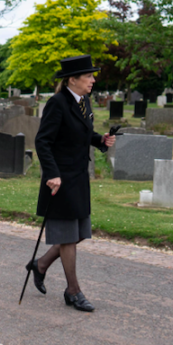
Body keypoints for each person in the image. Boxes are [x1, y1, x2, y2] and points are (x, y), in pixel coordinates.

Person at [26, 54, 115, 312]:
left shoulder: (83, 101)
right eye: (88, 76)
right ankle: (73, 291)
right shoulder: (57, 103)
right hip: (60, 180)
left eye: (92, 75)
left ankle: (40, 265)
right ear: (72, 79)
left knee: (78, 234)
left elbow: (82, 133)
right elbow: (43, 141)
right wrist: (51, 173)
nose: (93, 79)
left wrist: (100, 140)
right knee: (67, 236)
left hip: (78, 177)